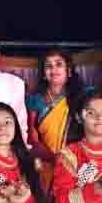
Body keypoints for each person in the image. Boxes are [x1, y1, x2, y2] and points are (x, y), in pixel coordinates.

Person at [26, 49, 83, 192]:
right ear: (43, 73)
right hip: (45, 162)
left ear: (68, 71)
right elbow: (32, 137)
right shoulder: (35, 99)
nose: (54, 69)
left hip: (76, 163)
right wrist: (53, 158)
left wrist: (68, 159)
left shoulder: (81, 97)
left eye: (59, 64)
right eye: (48, 66)